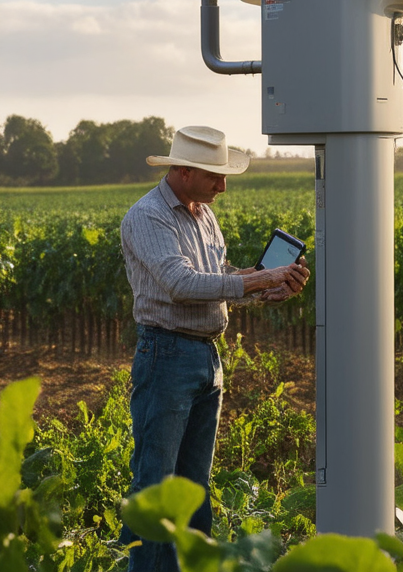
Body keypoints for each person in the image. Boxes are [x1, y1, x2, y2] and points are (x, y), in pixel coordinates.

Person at [118, 125, 310, 572]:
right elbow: (181, 284)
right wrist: (259, 278)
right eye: (214, 176)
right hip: (165, 357)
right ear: (183, 171)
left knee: (193, 486)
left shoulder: (202, 213)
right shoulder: (149, 216)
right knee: (156, 485)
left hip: (206, 358)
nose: (223, 186)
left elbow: (216, 276)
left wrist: (269, 288)